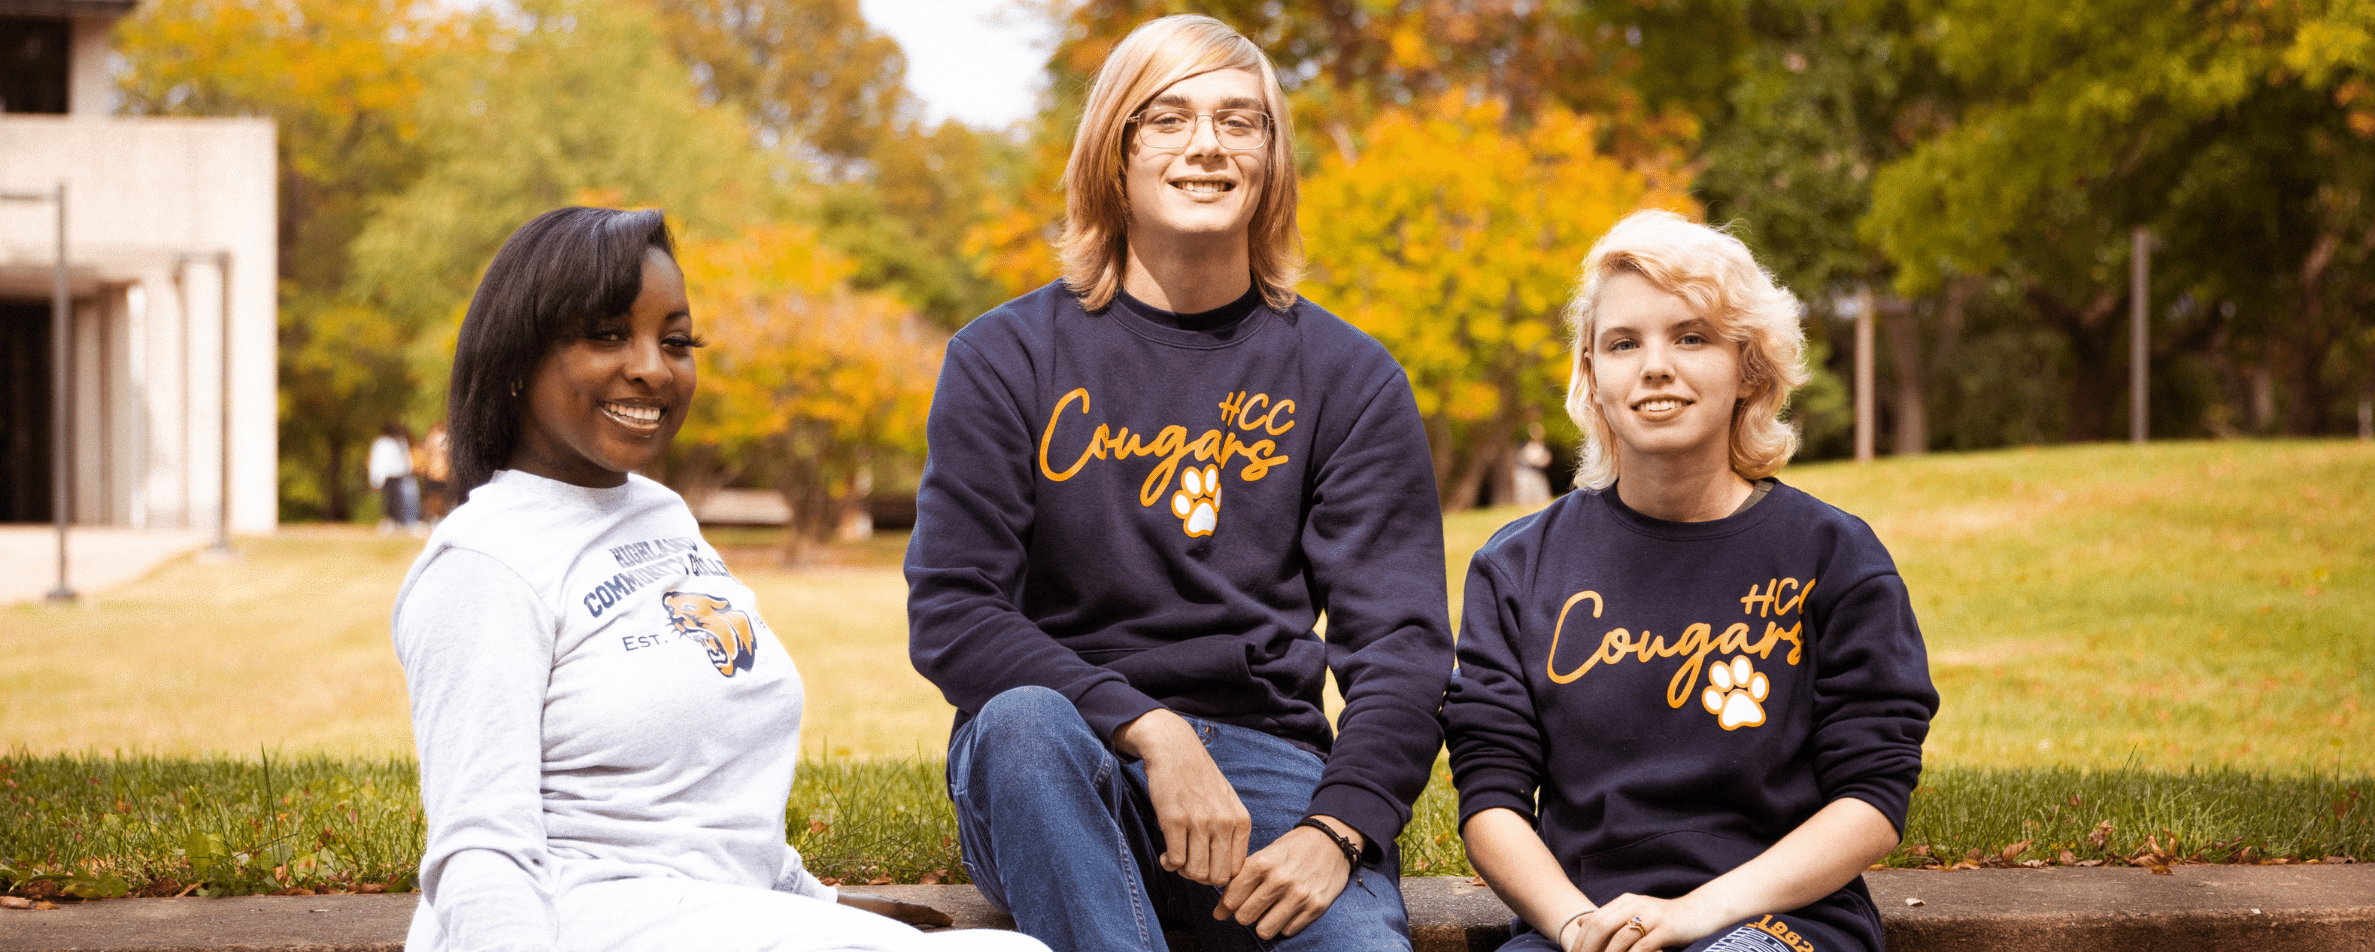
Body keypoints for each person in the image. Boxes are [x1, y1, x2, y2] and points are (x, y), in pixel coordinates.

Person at [904, 14, 1455, 952]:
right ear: (1112, 153)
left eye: (1238, 122)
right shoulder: (1005, 357)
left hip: (1267, 772)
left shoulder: (1346, 377)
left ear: (1272, 161)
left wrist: (1338, 829)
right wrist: (1151, 730)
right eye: (1167, 119)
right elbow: (954, 612)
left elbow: (1400, 648)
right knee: (1023, 724)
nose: (1206, 146)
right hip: (1062, 763)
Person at [392, 206, 1048, 952]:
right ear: (515, 362)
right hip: (579, 919)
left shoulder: (660, 516)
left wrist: (822, 904)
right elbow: (481, 848)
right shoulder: (486, 562)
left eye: (676, 342)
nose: (652, 366)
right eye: (607, 335)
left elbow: (705, 806)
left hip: (701, 914)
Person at [1442, 210, 1939, 952]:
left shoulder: (1831, 555)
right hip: (1581, 928)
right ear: (1591, 375)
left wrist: (1696, 913)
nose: (1653, 366)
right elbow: (1490, 799)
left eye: (1689, 336)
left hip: (1777, 923)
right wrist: (1577, 927)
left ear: (1748, 367)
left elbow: (1871, 800)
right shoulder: (1518, 567)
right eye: (1622, 343)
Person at [368, 422, 419, 533]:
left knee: (399, 501)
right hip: (389, 477)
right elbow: (377, 462)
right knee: (390, 501)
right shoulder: (382, 443)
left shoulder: (399, 442)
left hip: (399, 476)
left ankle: (400, 522)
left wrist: (375, 479)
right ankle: (391, 522)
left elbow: (406, 459)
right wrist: (376, 479)